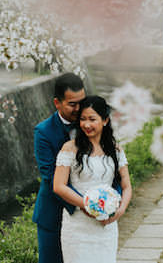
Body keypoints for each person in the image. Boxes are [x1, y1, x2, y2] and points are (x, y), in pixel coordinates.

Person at [52, 95, 132, 263]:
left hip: (106, 227)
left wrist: (120, 210)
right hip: (78, 225)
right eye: (82, 119)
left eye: (92, 119)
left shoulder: (115, 150)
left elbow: (126, 186)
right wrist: (88, 206)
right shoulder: (70, 148)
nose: (86, 125)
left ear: (105, 120)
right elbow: (58, 186)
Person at [34, 72, 86, 263]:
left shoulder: (91, 124)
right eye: (72, 104)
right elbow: (49, 177)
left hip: (88, 217)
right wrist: (84, 204)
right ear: (57, 103)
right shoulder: (43, 132)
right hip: (53, 215)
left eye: (82, 101)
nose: (79, 108)